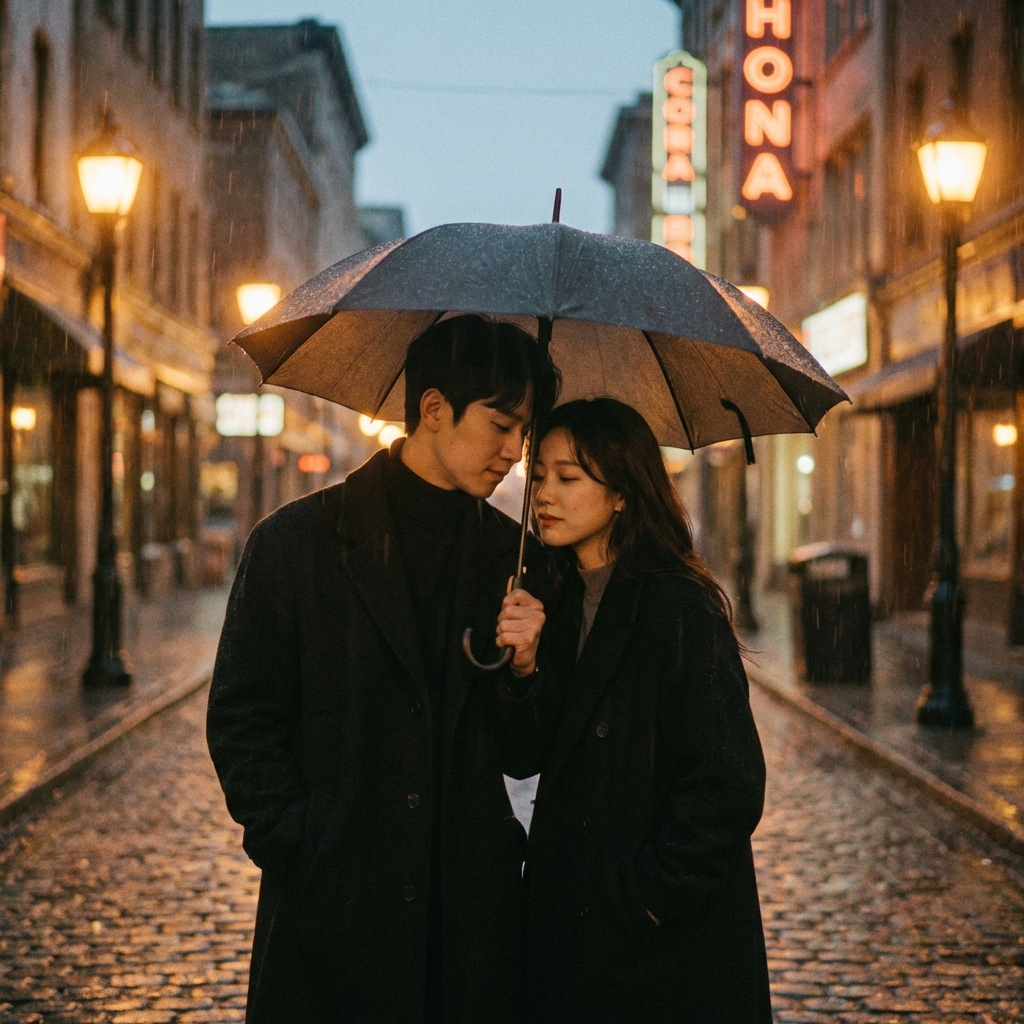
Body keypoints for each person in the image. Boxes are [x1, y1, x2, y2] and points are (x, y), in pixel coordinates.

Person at [207, 314, 557, 1024]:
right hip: (333, 920)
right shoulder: (297, 545)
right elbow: (243, 720)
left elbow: (525, 753)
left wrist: (526, 671)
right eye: (501, 425)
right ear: (433, 410)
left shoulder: (516, 560)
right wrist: (305, 845)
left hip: (466, 929)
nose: (515, 453)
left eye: (525, 432)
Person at [495, 397, 772, 1024]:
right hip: (576, 929)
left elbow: (727, 787)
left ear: (622, 492)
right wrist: (523, 666)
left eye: (568, 478)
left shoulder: (680, 606)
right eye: (538, 475)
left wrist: (644, 897)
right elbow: (524, 755)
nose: (544, 494)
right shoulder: (552, 598)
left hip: (664, 946)